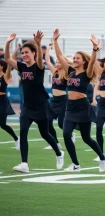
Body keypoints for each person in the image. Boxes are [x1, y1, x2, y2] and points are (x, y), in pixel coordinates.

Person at [4, 32, 64, 173]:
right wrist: (7, 43)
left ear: (33, 53)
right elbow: (7, 58)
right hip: (27, 107)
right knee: (23, 132)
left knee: (45, 134)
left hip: (41, 105)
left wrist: (37, 43)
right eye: (23, 53)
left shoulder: (39, 67)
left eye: (27, 53)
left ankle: (59, 153)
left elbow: (39, 59)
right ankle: (24, 163)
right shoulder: (21, 67)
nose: (24, 55)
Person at [53, 28, 105, 172]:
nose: (75, 59)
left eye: (78, 58)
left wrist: (95, 49)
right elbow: (59, 55)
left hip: (83, 106)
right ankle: (76, 164)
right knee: (66, 133)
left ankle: (102, 157)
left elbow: (93, 61)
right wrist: (55, 40)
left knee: (86, 138)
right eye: (74, 58)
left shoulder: (87, 73)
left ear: (83, 61)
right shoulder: (70, 71)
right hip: (70, 106)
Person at [44, 43, 74, 150]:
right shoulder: (54, 72)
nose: (56, 64)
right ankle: (56, 143)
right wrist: (48, 49)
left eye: (58, 62)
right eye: (56, 62)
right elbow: (47, 61)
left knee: (61, 124)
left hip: (63, 101)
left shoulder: (66, 73)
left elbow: (62, 59)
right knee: (47, 122)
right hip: (54, 101)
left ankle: (71, 134)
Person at [0, 50, 20, 147]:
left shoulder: (5, 76)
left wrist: (15, 50)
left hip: (2, 101)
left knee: (2, 124)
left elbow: (9, 63)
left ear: (1, 66)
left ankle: (16, 138)